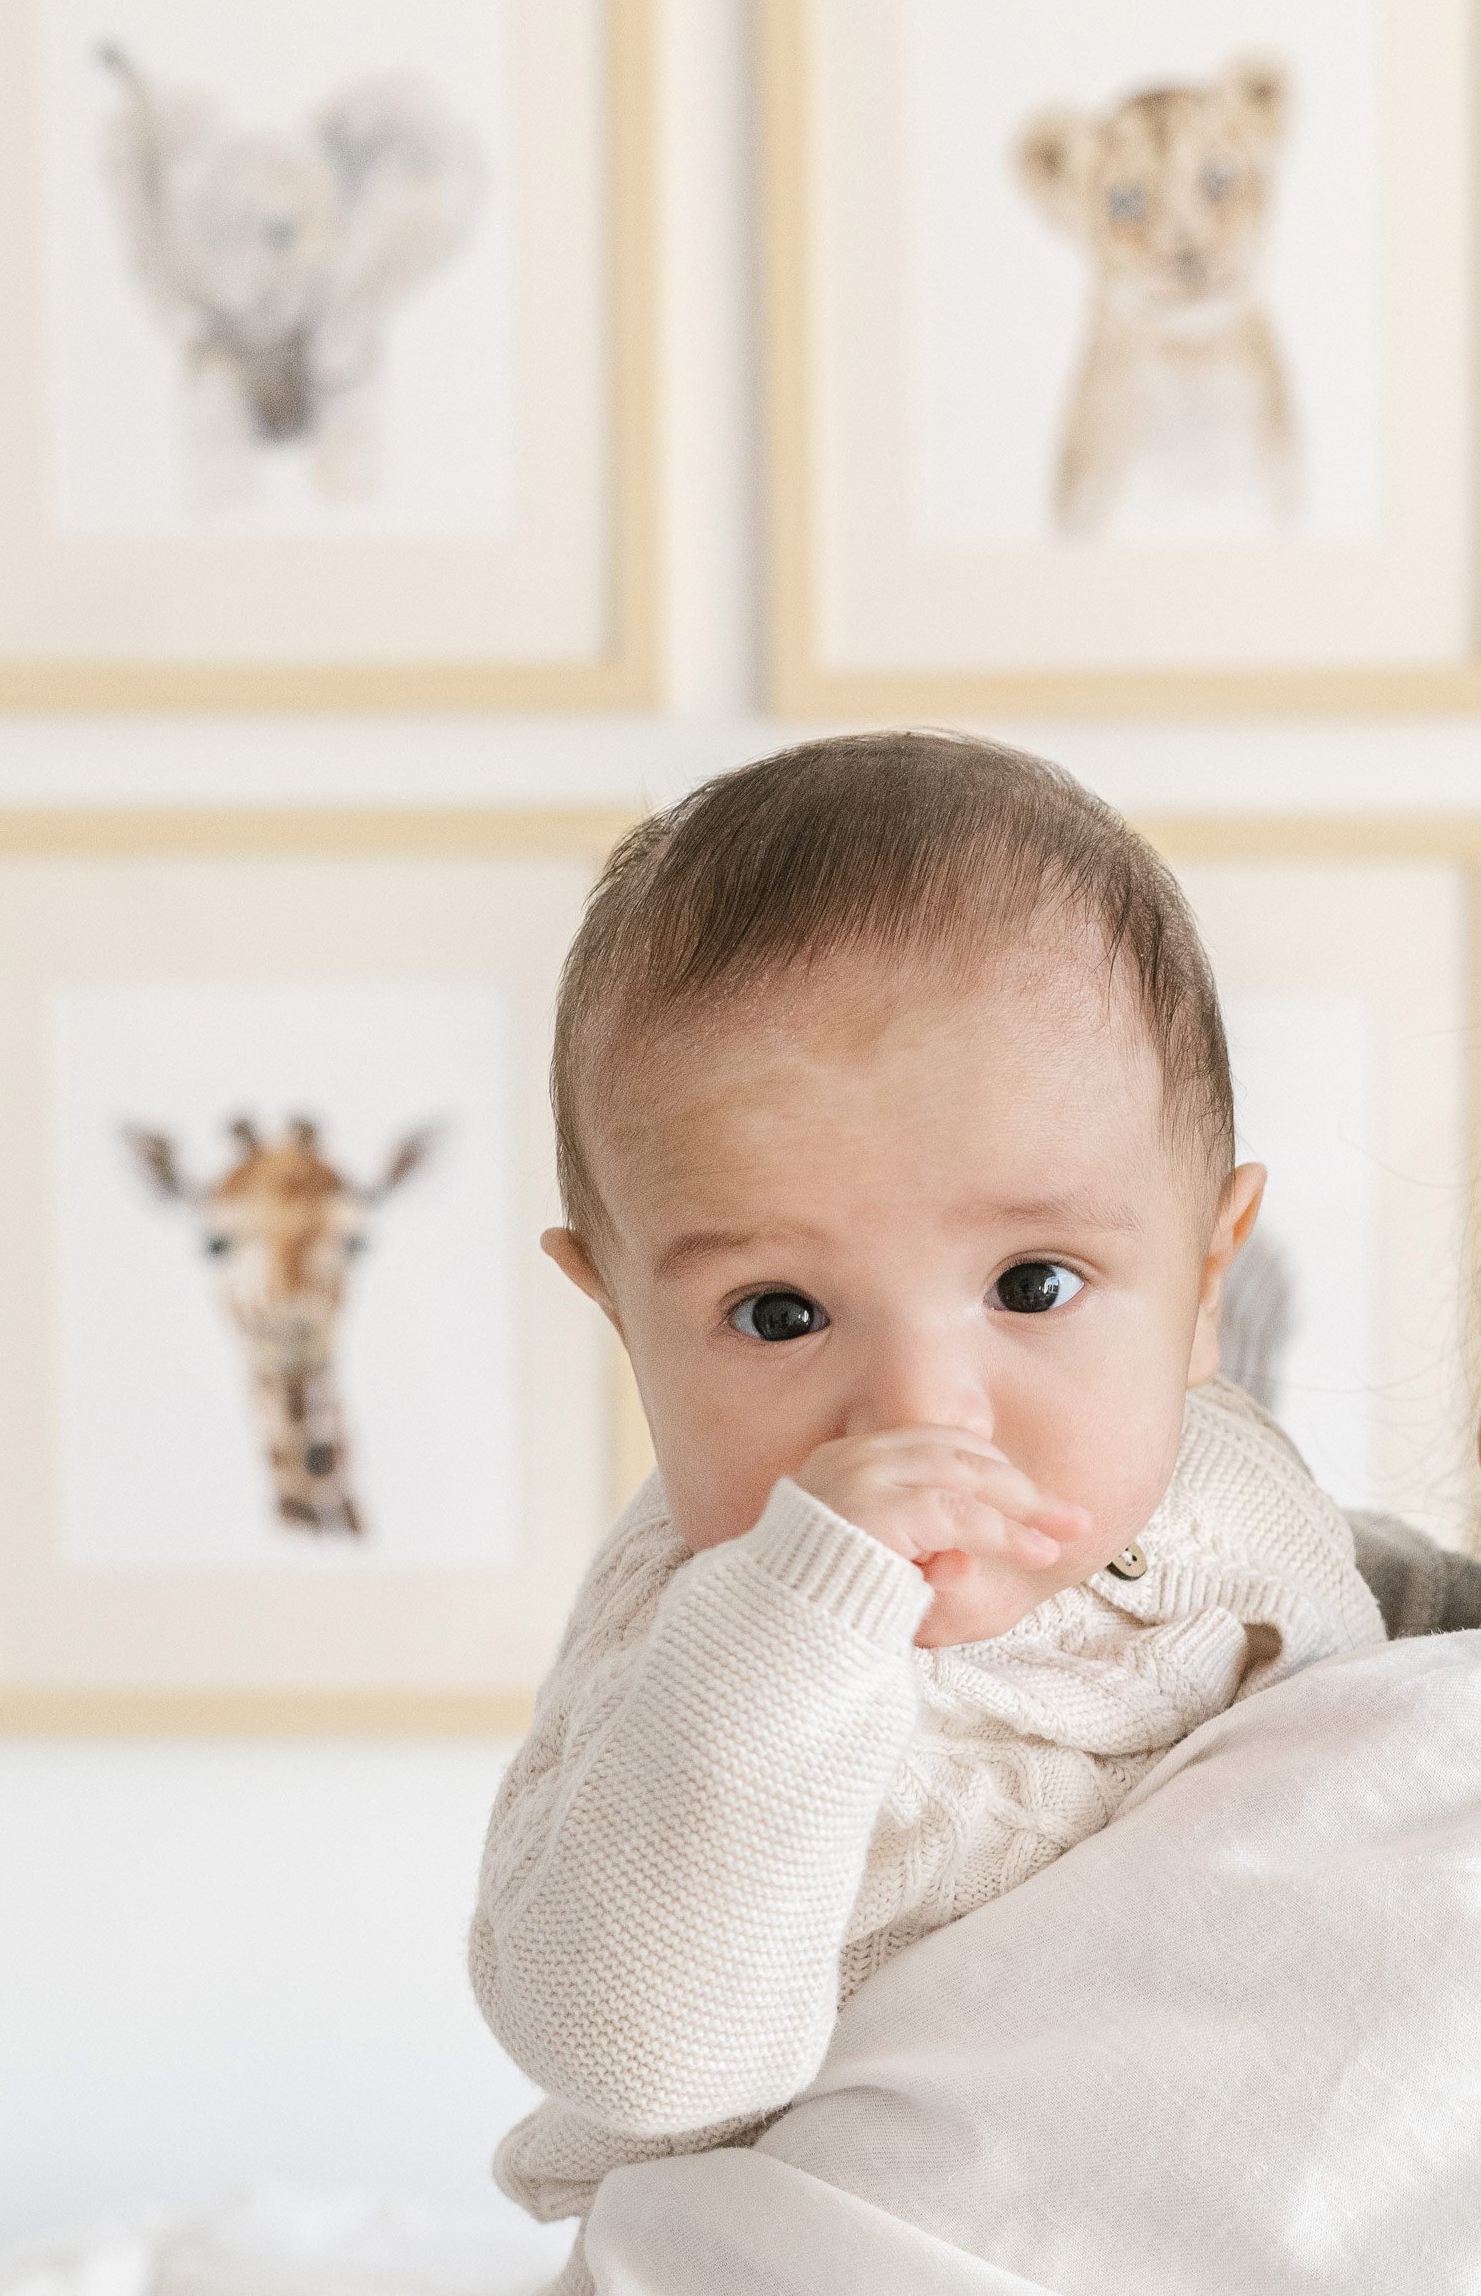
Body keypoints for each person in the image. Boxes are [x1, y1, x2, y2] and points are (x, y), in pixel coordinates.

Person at [468, 731, 1401, 2296]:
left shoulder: (1228, 1480)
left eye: (1031, 1286)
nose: (918, 1411)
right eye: (777, 1314)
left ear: (1204, 1272)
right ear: (618, 1311)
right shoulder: (697, 1652)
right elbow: (641, 2056)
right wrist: (803, 1621)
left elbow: (1394, 1673)